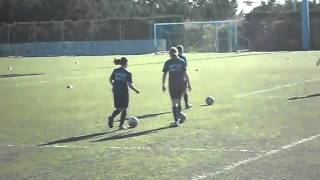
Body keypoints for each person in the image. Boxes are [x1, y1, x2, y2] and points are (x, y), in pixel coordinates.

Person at [108, 57, 140, 130]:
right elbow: (129, 85)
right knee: (124, 109)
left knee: (118, 108)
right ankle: (121, 125)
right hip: (123, 92)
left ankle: (111, 117)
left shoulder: (115, 70)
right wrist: (136, 90)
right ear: (125, 63)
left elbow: (110, 79)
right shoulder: (128, 73)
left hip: (116, 91)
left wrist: (114, 85)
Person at [162, 47, 188, 127]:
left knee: (174, 102)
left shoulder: (168, 62)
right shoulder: (181, 61)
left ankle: (176, 121)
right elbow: (184, 74)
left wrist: (163, 85)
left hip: (173, 85)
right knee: (178, 101)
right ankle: (178, 119)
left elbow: (164, 74)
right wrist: (185, 84)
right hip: (179, 84)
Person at [176, 45, 192, 109]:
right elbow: (185, 70)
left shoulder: (173, 57)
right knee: (184, 91)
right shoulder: (183, 58)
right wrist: (189, 83)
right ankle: (186, 104)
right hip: (182, 76)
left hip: (174, 77)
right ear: (181, 50)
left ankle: (177, 105)